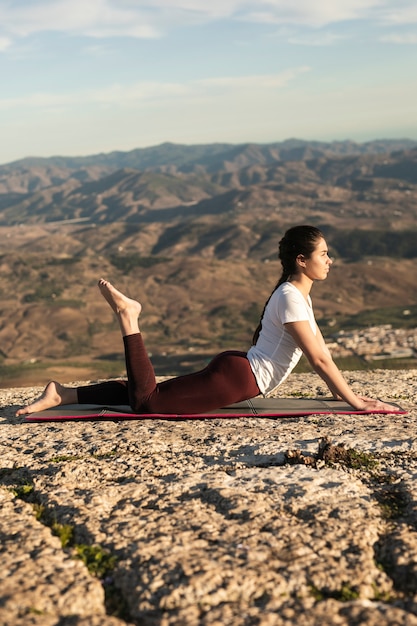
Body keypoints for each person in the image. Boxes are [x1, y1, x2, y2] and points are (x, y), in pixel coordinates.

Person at [16, 225, 393, 417]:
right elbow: (320, 361)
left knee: (148, 395)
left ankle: (64, 394)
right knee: (148, 404)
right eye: (324, 254)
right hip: (241, 377)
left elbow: (322, 354)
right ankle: (129, 317)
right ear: (301, 259)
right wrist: (355, 403)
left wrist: (342, 396)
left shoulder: (296, 296)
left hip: (238, 370)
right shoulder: (291, 297)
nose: (329, 260)